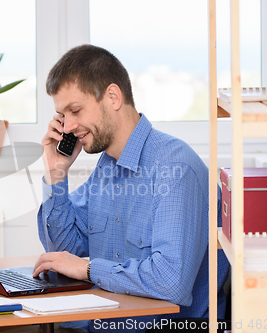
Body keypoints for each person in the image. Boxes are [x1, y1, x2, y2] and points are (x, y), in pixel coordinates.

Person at [32, 44, 230, 332]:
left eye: (75, 110)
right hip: (108, 320)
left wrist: (88, 269)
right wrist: (56, 174)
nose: (69, 126)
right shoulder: (107, 167)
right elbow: (67, 252)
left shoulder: (174, 168)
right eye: (63, 116)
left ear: (113, 96)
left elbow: (170, 281)